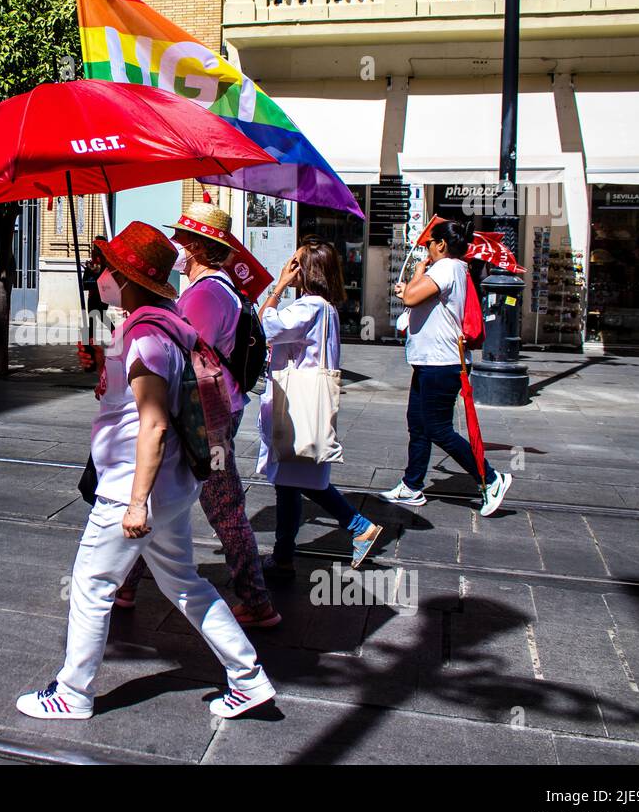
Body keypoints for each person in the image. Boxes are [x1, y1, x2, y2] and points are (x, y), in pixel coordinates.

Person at [16, 221, 275, 722]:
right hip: (171, 486)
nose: (101, 275)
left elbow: (153, 424)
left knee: (92, 585)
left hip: (133, 487)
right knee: (184, 583)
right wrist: (105, 362)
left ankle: (73, 692)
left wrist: (136, 502)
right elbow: (132, 401)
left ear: (131, 278)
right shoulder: (159, 323)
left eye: (110, 268)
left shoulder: (147, 336)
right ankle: (248, 678)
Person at [116, 203, 280, 628]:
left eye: (184, 241)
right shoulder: (222, 287)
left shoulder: (206, 293)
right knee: (162, 494)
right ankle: (126, 584)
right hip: (214, 410)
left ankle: (256, 600)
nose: (178, 249)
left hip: (204, 417)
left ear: (198, 248)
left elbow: (189, 357)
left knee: (222, 506)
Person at [258, 238, 383, 575]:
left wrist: (278, 287)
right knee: (299, 480)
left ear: (309, 270)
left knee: (292, 481)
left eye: (296, 263)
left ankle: (290, 554)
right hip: (311, 401)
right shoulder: (326, 308)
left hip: (296, 404)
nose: (291, 267)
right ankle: (293, 551)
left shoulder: (308, 307)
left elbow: (264, 326)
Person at [381, 219, 512, 516]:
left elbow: (412, 296)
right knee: (418, 422)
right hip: (431, 361)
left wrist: (409, 285)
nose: (427, 247)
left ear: (440, 244)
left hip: (442, 362)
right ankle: (412, 485)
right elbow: (418, 298)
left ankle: (491, 479)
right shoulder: (450, 269)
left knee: (438, 429)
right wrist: (417, 273)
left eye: (430, 242)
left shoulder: (447, 267)